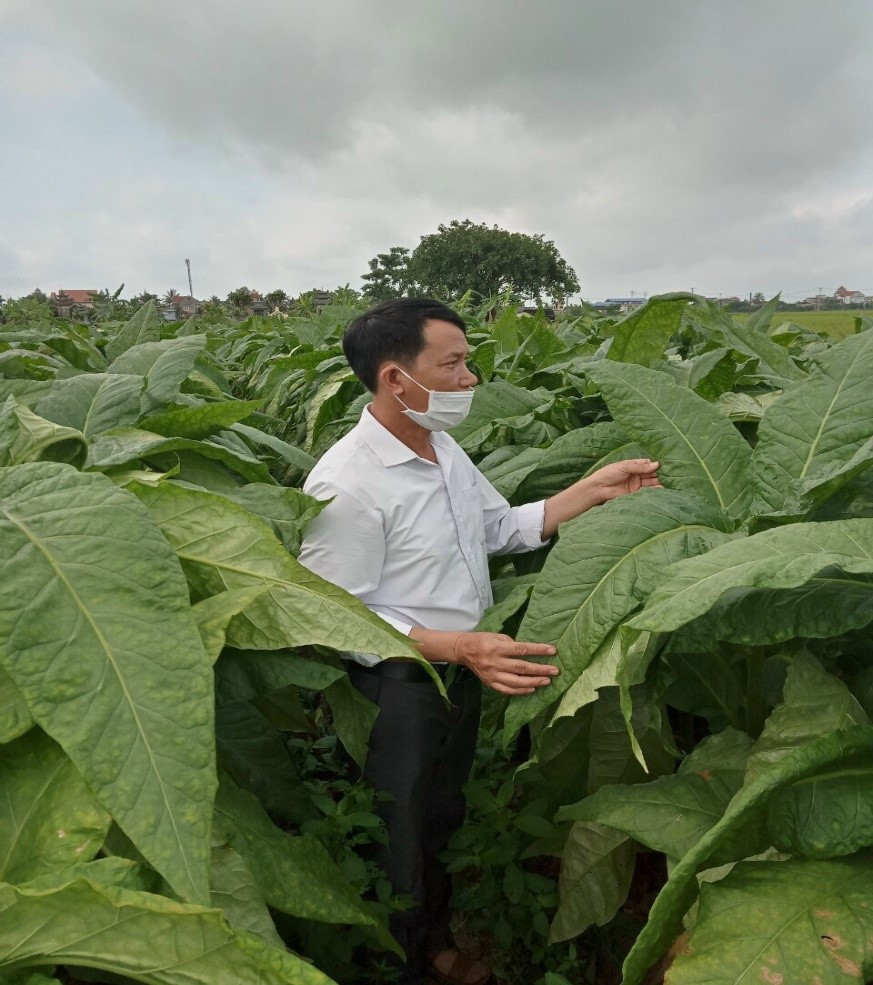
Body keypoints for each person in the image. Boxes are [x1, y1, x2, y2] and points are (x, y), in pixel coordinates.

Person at [298, 298, 660, 985]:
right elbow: (333, 616)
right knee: (396, 837)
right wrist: (460, 648)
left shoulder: (441, 448)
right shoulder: (347, 485)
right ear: (395, 379)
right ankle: (403, 964)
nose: (471, 378)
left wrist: (591, 490)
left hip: (460, 672)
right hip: (395, 689)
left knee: (439, 816)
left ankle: (433, 943)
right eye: (454, 362)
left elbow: (500, 529)